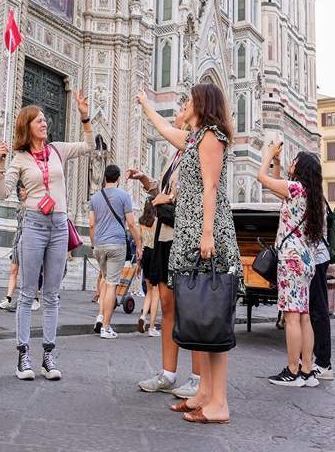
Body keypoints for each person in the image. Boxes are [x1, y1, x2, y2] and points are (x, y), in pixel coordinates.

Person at [137, 83, 241, 424]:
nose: (186, 103)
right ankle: (204, 394)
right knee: (198, 313)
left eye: (191, 99)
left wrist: (207, 233)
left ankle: (219, 403)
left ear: (203, 104)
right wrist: (144, 103)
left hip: (206, 234)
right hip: (190, 232)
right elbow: (165, 128)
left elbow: (211, 185)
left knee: (212, 316)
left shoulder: (212, 136)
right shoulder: (195, 139)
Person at [0, 91, 94, 380]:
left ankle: (48, 356)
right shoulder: (20, 159)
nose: (44, 123)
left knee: (52, 294)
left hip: (60, 225)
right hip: (35, 225)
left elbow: (90, 146)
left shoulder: (57, 150)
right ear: (27, 126)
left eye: (45, 120)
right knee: (27, 293)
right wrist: (1, 164)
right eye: (38, 120)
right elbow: (2, 194)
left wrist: (84, 115)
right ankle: (23, 356)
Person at [130, 99, 202, 398]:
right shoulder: (177, 153)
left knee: (191, 310)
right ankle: (168, 374)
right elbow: (166, 192)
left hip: (184, 237)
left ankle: (199, 379)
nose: (181, 106)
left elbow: (200, 194)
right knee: (169, 306)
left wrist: (146, 103)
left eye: (186, 104)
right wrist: (149, 184)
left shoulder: (199, 144)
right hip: (164, 236)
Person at [258, 146, 326, 387]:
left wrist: (267, 155)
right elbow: (278, 185)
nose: (291, 162)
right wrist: (277, 163)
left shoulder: (294, 189)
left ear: (301, 167)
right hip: (306, 260)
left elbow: (262, 179)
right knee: (304, 315)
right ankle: (307, 370)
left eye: (294, 160)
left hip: (291, 259)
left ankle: (292, 370)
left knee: (292, 316)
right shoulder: (309, 195)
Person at [89, 164, 143, 339]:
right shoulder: (124, 196)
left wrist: (93, 244)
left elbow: (91, 224)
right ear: (118, 178)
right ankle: (106, 327)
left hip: (99, 245)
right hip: (116, 244)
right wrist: (139, 244)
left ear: (104, 177)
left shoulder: (95, 198)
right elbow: (131, 223)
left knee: (104, 281)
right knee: (112, 284)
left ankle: (100, 316)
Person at [0, 182, 27, 310]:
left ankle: (32, 299)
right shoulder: (19, 206)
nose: (20, 192)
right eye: (20, 190)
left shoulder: (33, 206)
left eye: (23, 190)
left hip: (29, 240)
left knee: (28, 273)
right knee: (13, 270)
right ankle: (8, 298)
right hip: (18, 238)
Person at [137, 200, 160, 337]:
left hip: (145, 255)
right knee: (155, 292)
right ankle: (152, 327)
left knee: (149, 292)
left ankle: (143, 316)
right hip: (155, 255)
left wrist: (138, 263)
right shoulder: (157, 221)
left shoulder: (141, 222)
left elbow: (139, 243)